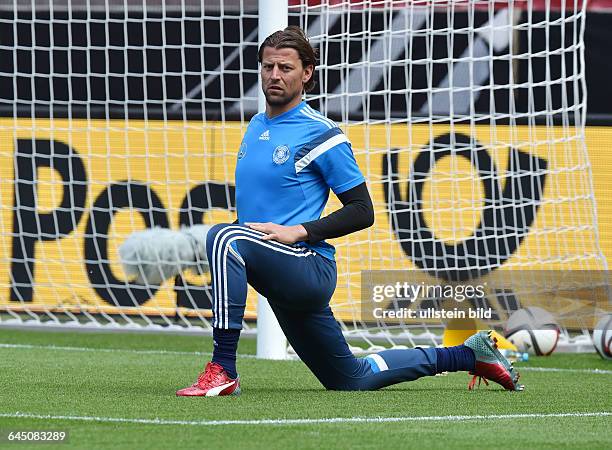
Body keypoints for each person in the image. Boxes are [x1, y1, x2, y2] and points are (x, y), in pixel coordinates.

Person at [172, 26, 524, 396]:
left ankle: (223, 369)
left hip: (307, 265)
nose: (275, 75)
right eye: (268, 67)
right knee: (350, 378)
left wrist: (300, 231)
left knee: (223, 236)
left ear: (307, 73)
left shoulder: (322, 133)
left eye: (286, 68)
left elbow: (362, 210)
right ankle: (469, 355)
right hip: (278, 270)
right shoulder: (257, 125)